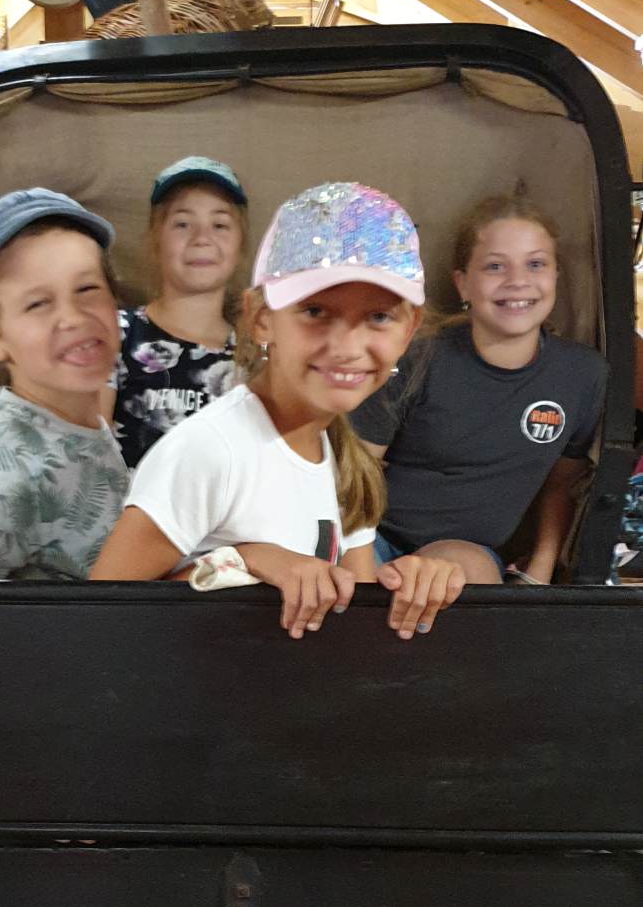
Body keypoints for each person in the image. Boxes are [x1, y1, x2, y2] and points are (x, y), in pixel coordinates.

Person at [91, 181, 466, 641]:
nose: (347, 347)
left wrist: (410, 584)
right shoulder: (211, 451)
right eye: (315, 311)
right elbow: (99, 620)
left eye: (378, 317)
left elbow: (352, 631)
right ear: (261, 318)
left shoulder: (348, 464)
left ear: (407, 331)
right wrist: (243, 560)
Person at [353, 192, 609, 585]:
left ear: (555, 275)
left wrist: (540, 570)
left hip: (467, 553)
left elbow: (561, 484)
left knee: (458, 574)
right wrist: (362, 570)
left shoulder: (583, 374)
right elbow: (354, 470)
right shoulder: (417, 357)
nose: (518, 281)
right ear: (463, 285)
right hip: (374, 538)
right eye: (495, 266)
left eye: (536, 264)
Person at [0, 188, 128, 582]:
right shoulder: (7, 468)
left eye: (87, 289)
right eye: (38, 304)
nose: (73, 317)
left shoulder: (71, 422)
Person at [106, 155, 246, 467]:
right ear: (155, 239)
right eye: (182, 224)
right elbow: (89, 454)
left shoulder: (256, 356)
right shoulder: (115, 334)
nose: (202, 238)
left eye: (220, 225)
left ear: (241, 245)